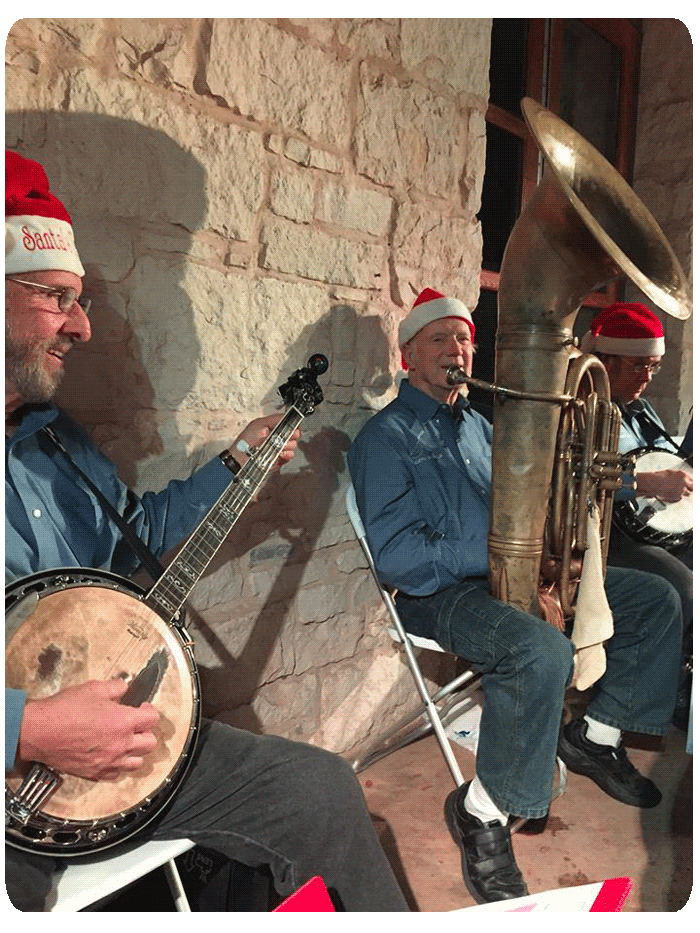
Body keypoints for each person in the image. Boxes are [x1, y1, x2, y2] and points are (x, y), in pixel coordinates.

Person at [5, 150, 408, 912]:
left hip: (116, 722)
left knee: (318, 791)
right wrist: (26, 728)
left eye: (80, 299)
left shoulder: (57, 440)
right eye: (57, 296)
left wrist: (238, 458)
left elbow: (142, 530)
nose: (82, 325)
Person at [348, 287, 683, 904]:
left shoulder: (478, 424)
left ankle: (598, 737)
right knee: (540, 652)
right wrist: (503, 554)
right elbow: (400, 560)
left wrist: (577, 524)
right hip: (439, 594)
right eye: (440, 339)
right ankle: (482, 809)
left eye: (465, 339)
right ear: (408, 358)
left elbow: (550, 488)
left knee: (655, 598)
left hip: (510, 575)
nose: (458, 350)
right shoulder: (382, 438)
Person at [581, 302, 692, 727]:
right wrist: (643, 483)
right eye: (637, 366)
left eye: (654, 367)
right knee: (680, 586)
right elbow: (575, 473)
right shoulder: (581, 408)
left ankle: (683, 673)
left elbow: (667, 461)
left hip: (653, 526)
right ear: (604, 360)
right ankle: (662, 693)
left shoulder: (640, 408)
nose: (646, 378)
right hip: (606, 533)